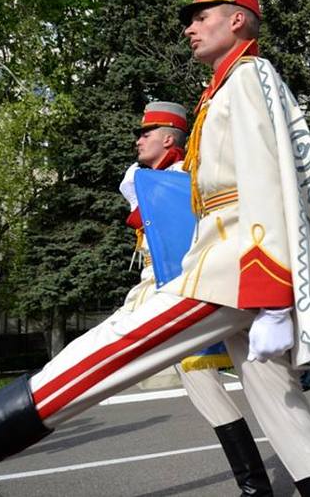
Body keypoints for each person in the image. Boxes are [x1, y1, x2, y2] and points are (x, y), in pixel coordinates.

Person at [0, 0, 310, 497]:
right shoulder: (226, 87)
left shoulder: (249, 78)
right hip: (225, 259)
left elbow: (268, 180)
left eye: (202, 16)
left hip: (237, 267)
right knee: (284, 412)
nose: (190, 27)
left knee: (110, 351)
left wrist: (272, 291)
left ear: (238, 20)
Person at [120, 100, 275, 495]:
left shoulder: (196, 172)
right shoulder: (142, 177)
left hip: (212, 279)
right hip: (166, 284)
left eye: (146, 133)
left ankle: (301, 469)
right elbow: (138, 191)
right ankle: (254, 484)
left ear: (169, 137)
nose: (139, 140)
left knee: (263, 378)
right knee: (199, 378)